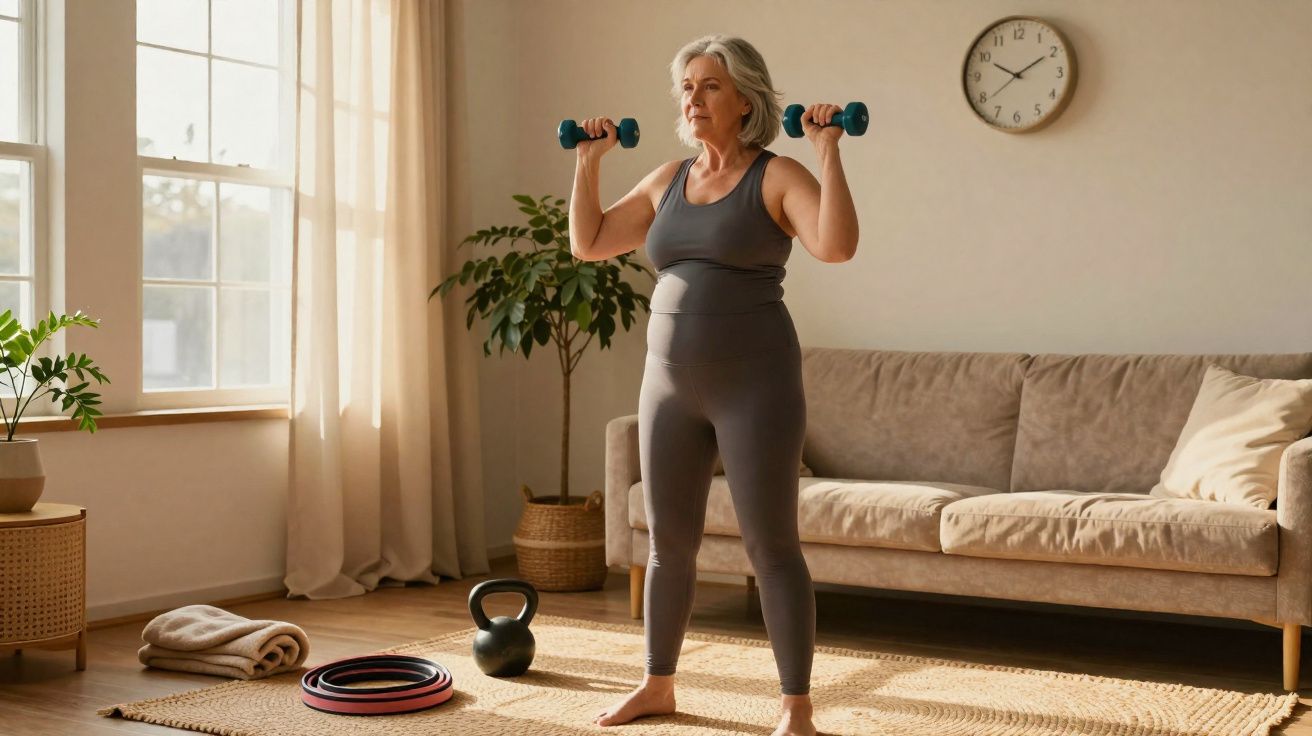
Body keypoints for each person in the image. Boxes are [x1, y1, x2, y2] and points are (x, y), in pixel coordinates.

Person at [568, 33, 859, 736]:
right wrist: (588, 164)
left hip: (756, 385)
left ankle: (796, 707)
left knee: (771, 547)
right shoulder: (668, 179)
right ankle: (657, 684)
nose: (693, 99)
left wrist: (828, 150)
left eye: (710, 87)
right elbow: (591, 242)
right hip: (666, 385)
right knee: (669, 544)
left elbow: (837, 245)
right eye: (688, 87)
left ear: (746, 100)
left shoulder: (778, 174)